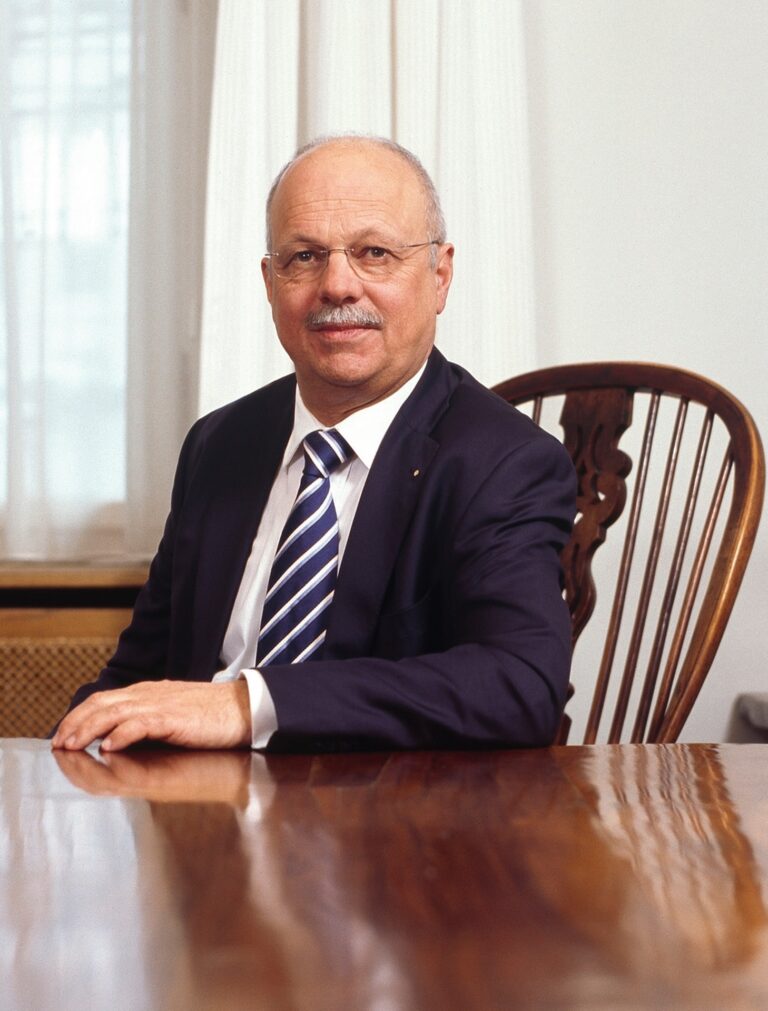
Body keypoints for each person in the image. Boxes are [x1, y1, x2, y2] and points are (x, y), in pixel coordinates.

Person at [52, 135, 576, 754]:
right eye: (304, 257)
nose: (338, 286)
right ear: (270, 283)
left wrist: (248, 703)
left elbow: (518, 684)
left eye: (374, 253)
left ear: (440, 275)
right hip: (197, 802)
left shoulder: (504, 462)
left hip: (384, 807)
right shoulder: (219, 445)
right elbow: (139, 677)